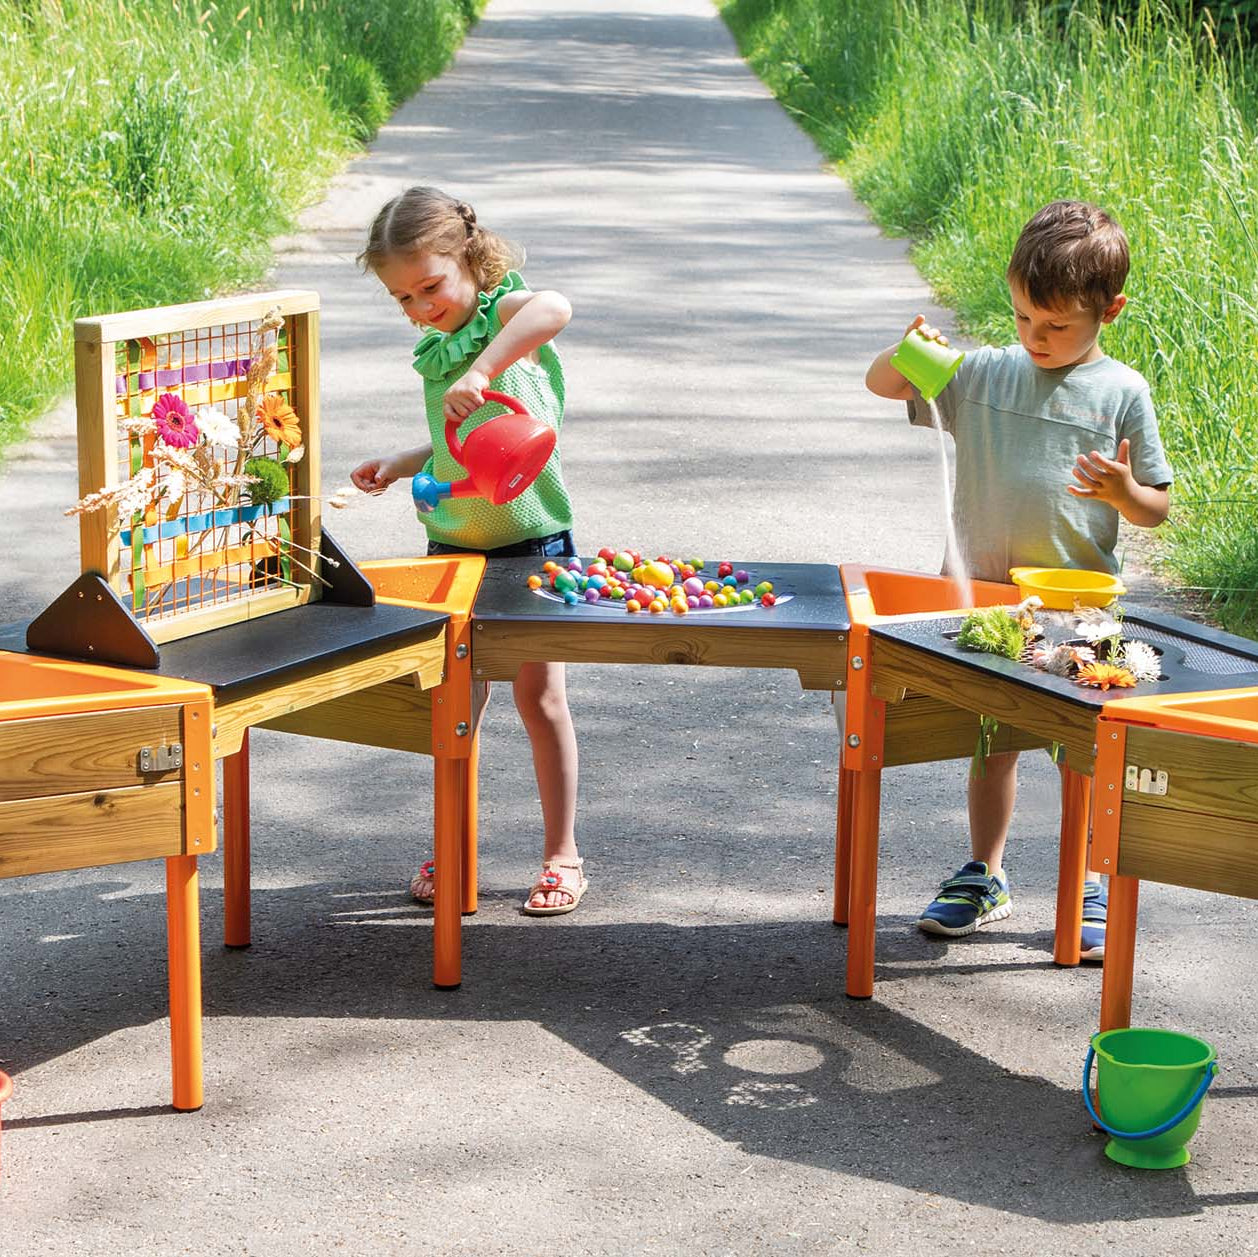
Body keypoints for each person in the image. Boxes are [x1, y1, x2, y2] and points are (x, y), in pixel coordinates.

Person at [863, 199, 1173, 959]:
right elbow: (884, 386)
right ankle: (986, 871)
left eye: (1057, 325)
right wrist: (904, 352)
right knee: (990, 738)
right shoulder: (987, 374)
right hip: (989, 601)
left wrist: (1121, 494)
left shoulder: (1121, 392)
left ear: (1111, 310)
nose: (1036, 337)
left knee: (1086, 752)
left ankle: (1090, 879)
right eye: (1024, 317)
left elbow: (1156, 507)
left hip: (1082, 612)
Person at [351, 185, 585, 915]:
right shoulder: (436, 346)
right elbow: (463, 439)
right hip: (451, 545)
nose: (421, 308)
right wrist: (402, 461)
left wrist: (484, 367)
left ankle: (562, 853)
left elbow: (557, 309)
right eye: (402, 299)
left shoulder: (500, 312)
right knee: (455, 705)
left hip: (532, 542)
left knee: (540, 700)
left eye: (431, 287)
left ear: (469, 259)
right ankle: (456, 845)